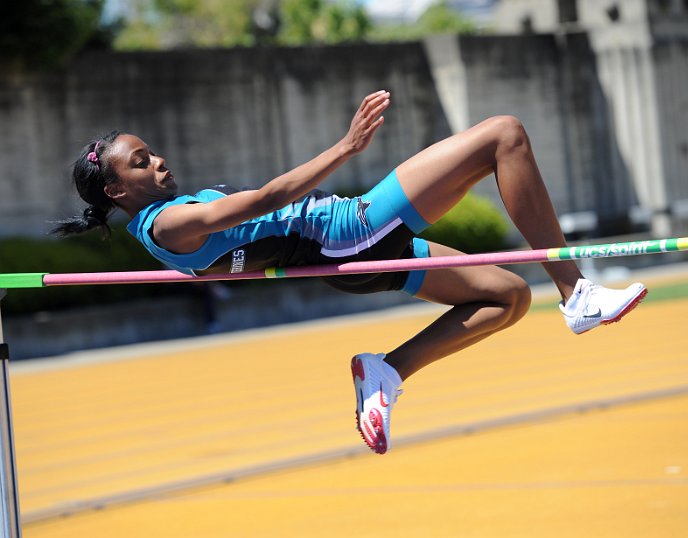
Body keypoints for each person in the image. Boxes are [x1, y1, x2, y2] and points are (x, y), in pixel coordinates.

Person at [54, 90, 647, 455]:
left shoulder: (159, 230)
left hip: (338, 258)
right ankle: (576, 293)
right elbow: (263, 201)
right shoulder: (168, 226)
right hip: (347, 231)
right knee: (504, 135)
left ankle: (386, 372)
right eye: (141, 162)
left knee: (507, 297)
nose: (158, 161)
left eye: (152, 153)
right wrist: (345, 147)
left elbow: (247, 247)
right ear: (114, 189)